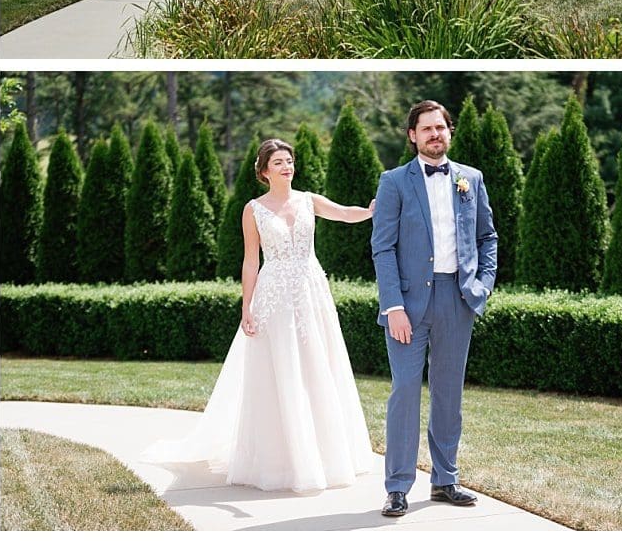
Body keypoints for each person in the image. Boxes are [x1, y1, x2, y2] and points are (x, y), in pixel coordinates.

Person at [142, 139, 381, 492]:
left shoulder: (308, 200)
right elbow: (251, 260)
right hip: (273, 294)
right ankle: (281, 460)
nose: (287, 166)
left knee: (318, 363)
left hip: (310, 291)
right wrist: (246, 306)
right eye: (279, 162)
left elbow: (345, 212)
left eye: (290, 161)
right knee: (279, 368)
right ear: (265, 170)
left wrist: (372, 209)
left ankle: (326, 455)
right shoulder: (253, 209)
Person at [370, 100, 497, 517]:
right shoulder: (393, 181)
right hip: (407, 304)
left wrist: (480, 287)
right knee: (405, 391)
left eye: (440, 127)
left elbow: (487, 238)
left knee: (449, 394)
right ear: (412, 135)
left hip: (457, 300)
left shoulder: (471, 179)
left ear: (449, 131)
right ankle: (398, 487)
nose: (434, 135)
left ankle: (445, 480)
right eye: (426, 129)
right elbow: (382, 247)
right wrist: (393, 306)